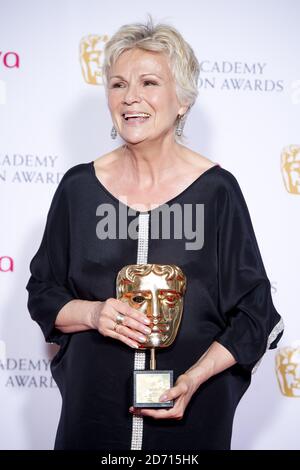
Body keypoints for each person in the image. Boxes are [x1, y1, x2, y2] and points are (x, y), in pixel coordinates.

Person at [26, 18, 284, 450]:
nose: (130, 98)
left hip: (191, 424)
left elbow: (255, 313)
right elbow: (42, 293)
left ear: (182, 100)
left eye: (149, 83)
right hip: (93, 419)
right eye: (117, 84)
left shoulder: (217, 190)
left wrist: (194, 378)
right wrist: (93, 314)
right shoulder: (78, 189)